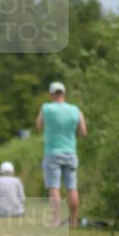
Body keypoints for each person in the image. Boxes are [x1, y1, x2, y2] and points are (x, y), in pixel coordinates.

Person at [36, 81, 87, 227]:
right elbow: (83, 132)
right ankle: (73, 221)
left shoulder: (46, 108)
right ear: (64, 93)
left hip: (52, 153)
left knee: (54, 187)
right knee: (72, 187)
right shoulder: (75, 110)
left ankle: (56, 220)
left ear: (51, 94)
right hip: (70, 153)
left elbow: (38, 125)